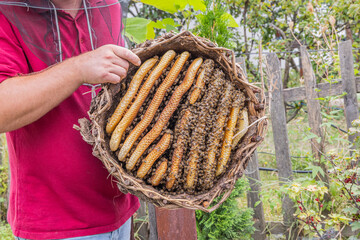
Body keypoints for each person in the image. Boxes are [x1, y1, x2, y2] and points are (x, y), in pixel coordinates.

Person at [0, 0, 141, 239]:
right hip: (56, 225)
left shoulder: (108, 4)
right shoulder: (8, 11)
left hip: (121, 210)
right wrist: (78, 69)